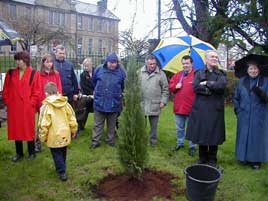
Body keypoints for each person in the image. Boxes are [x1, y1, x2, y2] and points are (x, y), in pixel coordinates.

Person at [186, 50, 227, 167]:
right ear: (206, 59)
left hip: (215, 109)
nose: (214, 59)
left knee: (214, 134)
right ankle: (202, 157)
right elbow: (195, 87)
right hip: (201, 108)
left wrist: (207, 83)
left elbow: (221, 86)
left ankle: (212, 159)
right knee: (202, 133)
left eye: (216, 57)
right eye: (212, 57)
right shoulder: (199, 73)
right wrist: (209, 90)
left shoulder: (221, 74)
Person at [2, 51, 40, 161]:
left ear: (26, 60)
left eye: (20, 59)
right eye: (16, 59)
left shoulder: (34, 73)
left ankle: (32, 153)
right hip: (14, 107)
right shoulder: (10, 73)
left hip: (27, 107)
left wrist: (31, 103)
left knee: (28, 129)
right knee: (16, 129)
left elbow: (36, 91)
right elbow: (6, 90)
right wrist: (9, 102)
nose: (17, 62)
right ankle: (19, 153)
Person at [38, 82, 78, 181]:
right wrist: (74, 130)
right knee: (63, 151)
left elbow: (43, 124)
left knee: (56, 154)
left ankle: (62, 171)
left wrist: (42, 137)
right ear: (57, 91)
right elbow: (72, 118)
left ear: (46, 93)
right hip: (65, 133)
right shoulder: (66, 104)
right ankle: (62, 167)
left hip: (53, 136)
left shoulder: (46, 107)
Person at [234, 61, 268, 170]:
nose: (253, 71)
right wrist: (238, 110)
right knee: (244, 135)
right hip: (244, 113)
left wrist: (261, 94)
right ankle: (243, 157)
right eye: (251, 69)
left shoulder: (265, 81)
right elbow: (236, 97)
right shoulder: (242, 81)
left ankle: (256, 160)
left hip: (259, 114)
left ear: (259, 69)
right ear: (247, 70)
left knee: (256, 137)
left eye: (255, 68)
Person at [91, 53, 126, 149]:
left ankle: (110, 141)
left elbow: (123, 85)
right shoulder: (99, 69)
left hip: (114, 102)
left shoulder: (121, 72)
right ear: (107, 62)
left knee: (112, 124)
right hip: (100, 101)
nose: (113, 65)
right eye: (111, 62)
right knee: (98, 124)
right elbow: (94, 81)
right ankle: (95, 141)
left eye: (115, 63)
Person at [168, 55, 196, 156]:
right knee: (180, 128)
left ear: (192, 64)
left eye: (187, 63)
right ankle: (180, 143)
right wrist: (176, 86)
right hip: (179, 107)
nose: (185, 65)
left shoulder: (197, 75)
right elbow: (170, 87)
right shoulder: (178, 75)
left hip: (192, 108)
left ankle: (192, 146)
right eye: (183, 63)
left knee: (191, 128)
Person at [35, 54, 63, 152]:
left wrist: (58, 99)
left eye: (51, 62)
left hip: (54, 103)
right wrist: (39, 102)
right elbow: (37, 88)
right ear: (43, 63)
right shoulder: (38, 74)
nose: (49, 64)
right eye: (47, 62)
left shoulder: (56, 74)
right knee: (41, 124)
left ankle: (55, 141)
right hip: (43, 103)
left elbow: (59, 88)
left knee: (55, 123)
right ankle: (38, 143)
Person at [140, 54, 169, 146]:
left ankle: (153, 142)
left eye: (154, 64)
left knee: (154, 126)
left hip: (155, 104)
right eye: (150, 64)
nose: (152, 66)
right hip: (141, 103)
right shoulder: (139, 72)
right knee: (141, 125)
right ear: (146, 63)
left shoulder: (161, 74)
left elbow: (165, 89)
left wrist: (163, 101)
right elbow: (134, 87)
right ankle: (141, 141)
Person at [74, 57, 94, 136]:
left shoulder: (96, 72)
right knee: (82, 108)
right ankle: (80, 127)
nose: (86, 68)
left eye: (87, 66)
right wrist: (90, 94)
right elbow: (84, 86)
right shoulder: (83, 75)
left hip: (96, 95)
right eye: (84, 66)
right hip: (87, 95)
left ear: (91, 65)